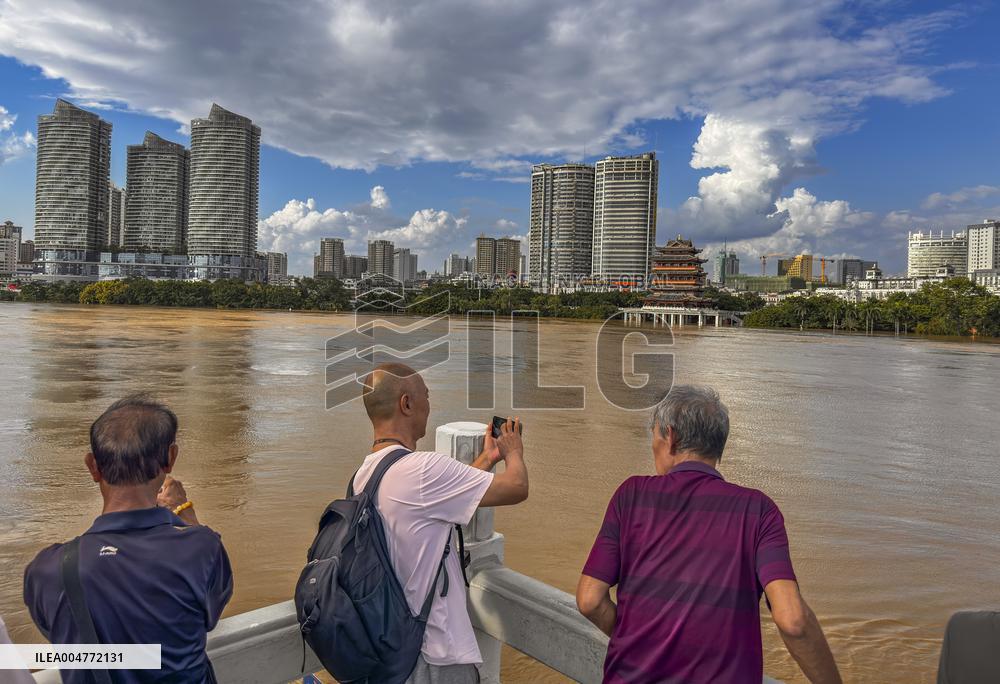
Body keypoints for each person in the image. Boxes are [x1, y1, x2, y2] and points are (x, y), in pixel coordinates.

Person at [576, 385, 841, 684]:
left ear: (671, 437)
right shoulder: (759, 511)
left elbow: (589, 600)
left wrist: (643, 642)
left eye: (654, 435)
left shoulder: (631, 496)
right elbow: (794, 621)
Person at [23, 395, 233, 684]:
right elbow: (210, 615)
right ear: (171, 458)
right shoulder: (202, 549)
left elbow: (61, 636)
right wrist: (185, 512)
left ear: (92, 466)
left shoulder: (46, 570)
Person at [353, 362, 528, 684]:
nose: (430, 405)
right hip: (435, 654)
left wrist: (488, 458)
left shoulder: (365, 476)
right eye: (426, 396)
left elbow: (441, 501)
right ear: (406, 403)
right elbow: (517, 488)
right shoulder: (424, 469)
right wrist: (513, 450)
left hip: (389, 649)